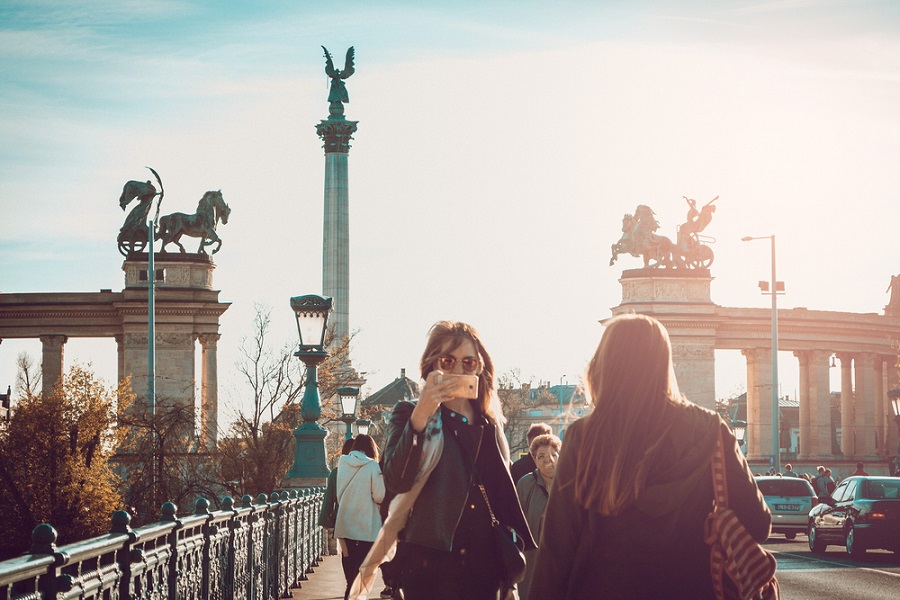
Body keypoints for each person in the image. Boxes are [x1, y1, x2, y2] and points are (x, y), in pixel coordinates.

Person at [529, 314, 770, 600]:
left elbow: (557, 548)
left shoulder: (584, 437)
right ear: (664, 365)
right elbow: (758, 524)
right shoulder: (710, 430)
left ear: (604, 365)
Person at [354, 321, 535, 600]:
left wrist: (509, 581)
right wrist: (421, 416)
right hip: (428, 560)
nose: (458, 370)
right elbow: (396, 479)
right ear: (432, 364)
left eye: (468, 362)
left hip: (484, 563)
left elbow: (502, 499)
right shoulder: (408, 413)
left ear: (480, 368)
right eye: (448, 361)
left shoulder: (488, 423)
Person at [335, 434, 385, 600]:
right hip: (367, 523)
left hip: (345, 519)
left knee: (348, 557)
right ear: (371, 448)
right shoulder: (373, 466)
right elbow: (379, 495)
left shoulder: (343, 462)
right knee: (364, 564)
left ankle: (350, 589)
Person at [516, 433, 561, 600]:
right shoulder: (526, 484)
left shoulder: (571, 483)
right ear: (534, 460)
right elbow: (517, 523)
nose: (548, 460)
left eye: (553, 455)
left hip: (561, 560)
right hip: (532, 561)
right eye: (541, 456)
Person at [319, 437, 356, 554]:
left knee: (347, 554)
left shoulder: (336, 473)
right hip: (362, 519)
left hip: (342, 519)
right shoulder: (366, 471)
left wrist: (326, 521)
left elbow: (329, 499)